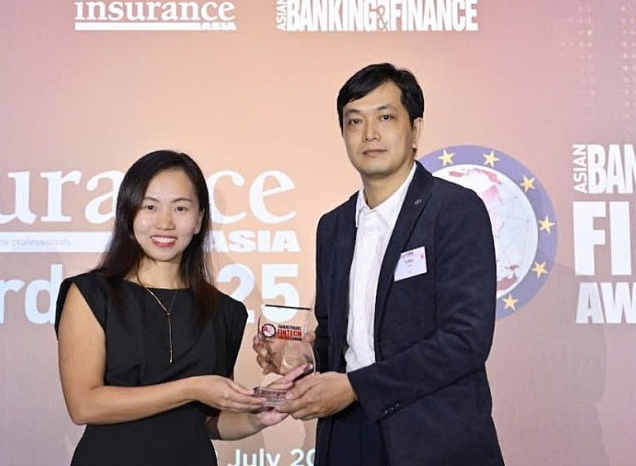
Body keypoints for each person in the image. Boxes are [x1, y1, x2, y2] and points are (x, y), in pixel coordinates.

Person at [255, 63, 505, 465]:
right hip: (347, 435)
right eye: (355, 121)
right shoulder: (333, 226)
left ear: (415, 130)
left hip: (433, 438)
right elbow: (338, 339)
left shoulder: (454, 210)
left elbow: (465, 341)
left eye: (385, 117)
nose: (369, 133)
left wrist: (357, 387)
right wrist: (301, 357)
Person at [55, 150, 301, 466]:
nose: (165, 223)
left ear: (199, 220)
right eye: (150, 207)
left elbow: (207, 422)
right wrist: (192, 388)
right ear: (129, 213)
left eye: (181, 208)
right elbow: (84, 405)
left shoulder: (224, 311)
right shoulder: (91, 294)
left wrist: (256, 417)